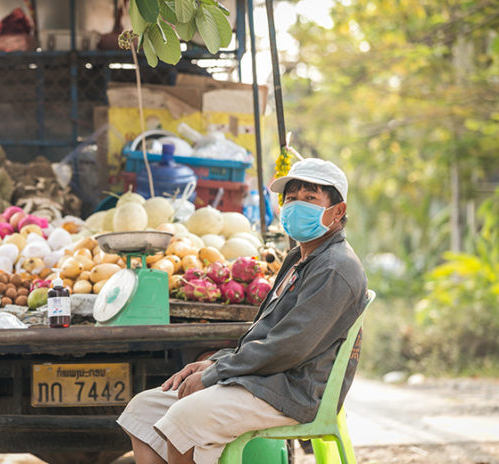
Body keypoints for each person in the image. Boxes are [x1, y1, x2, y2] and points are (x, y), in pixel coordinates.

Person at [116, 158, 368, 464]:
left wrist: (217, 372)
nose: (296, 205)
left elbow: (289, 347)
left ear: (337, 211)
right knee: (142, 409)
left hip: (291, 391)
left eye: (310, 198)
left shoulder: (335, 268)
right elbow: (263, 335)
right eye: (291, 198)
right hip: (264, 378)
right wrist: (214, 362)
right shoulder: (299, 259)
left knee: (182, 417)